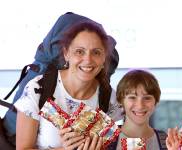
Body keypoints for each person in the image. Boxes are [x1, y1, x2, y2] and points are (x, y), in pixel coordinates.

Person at [14, 20, 123, 150]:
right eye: (79, 51)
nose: (88, 60)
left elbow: (125, 140)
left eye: (96, 52)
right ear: (66, 53)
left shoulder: (109, 98)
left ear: (104, 57)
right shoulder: (38, 88)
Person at [107, 69, 167, 150]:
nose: (140, 106)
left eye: (147, 98)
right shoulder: (105, 138)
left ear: (156, 101)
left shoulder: (166, 140)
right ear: (121, 101)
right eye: (132, 97)